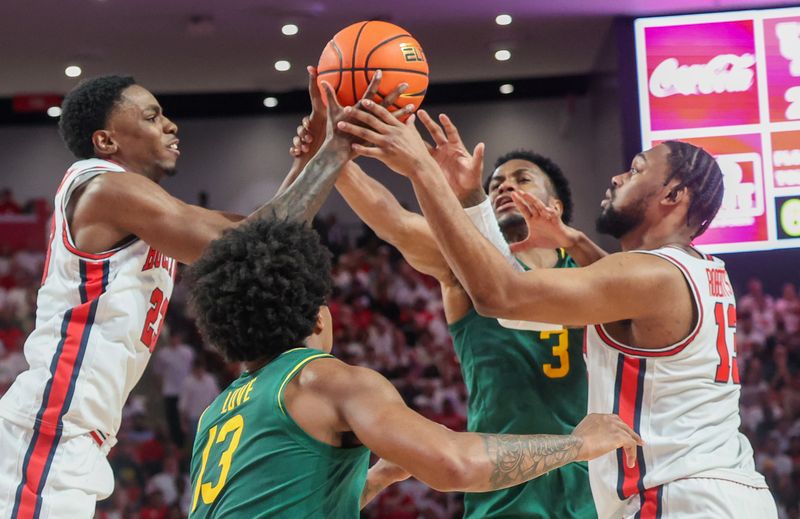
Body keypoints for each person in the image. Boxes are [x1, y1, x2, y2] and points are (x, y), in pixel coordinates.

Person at [335, 101, 779, 518]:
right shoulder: (694, 270)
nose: (618, 177)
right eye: (496, 185)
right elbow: (508, 295)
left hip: (674, 495)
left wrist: (422, 170)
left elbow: (501, 296)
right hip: (693, 489)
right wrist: (571, 238)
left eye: (637, 170)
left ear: (673, 194)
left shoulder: (644, 275)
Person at [0, 68, 389, 519]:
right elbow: (249, 241)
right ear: (107, 141)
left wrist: (310, 159)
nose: (170, 125)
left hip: (74, 435)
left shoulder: (139, 203)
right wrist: (336, 148)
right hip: (50, 430)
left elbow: (255, 232)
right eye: (151, 117)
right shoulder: (104, 187)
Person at [185, 216, 642, 519]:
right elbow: (455, 465)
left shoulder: (218, 412)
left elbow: (277, 504)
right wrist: (577, 444)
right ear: (319, 316)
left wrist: (379, 476)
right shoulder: (323, 379)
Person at [290, 98, 605, 516]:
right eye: (494, 185)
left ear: (557, 207)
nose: (505, 187)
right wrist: (332, 156)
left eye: (522, 179)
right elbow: (394, 221)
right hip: (507, 489)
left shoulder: (593, 277)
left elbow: (644, 301)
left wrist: (574, 241)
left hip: (597, 482)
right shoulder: (465, 269)